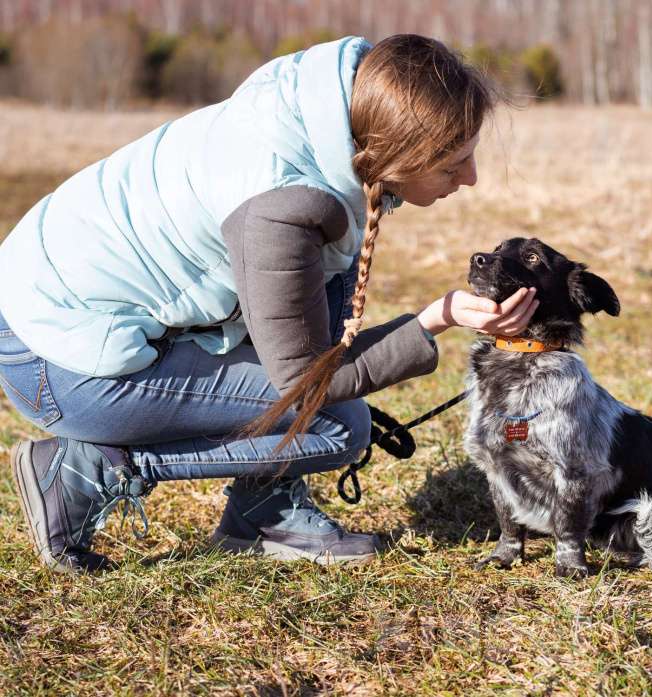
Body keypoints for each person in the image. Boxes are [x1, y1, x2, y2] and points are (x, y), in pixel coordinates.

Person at [0, 34, 540, 573]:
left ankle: (266, 511)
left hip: (54, 318)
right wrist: (436, 317)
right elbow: (307, 382)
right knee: (335, 424)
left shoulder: (332, 124)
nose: (471, 179)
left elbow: (309, 340)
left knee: (319, 392)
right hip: (55, 361)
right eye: (453, 165)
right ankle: (89, 469)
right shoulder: (280, 204)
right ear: (399, 152)